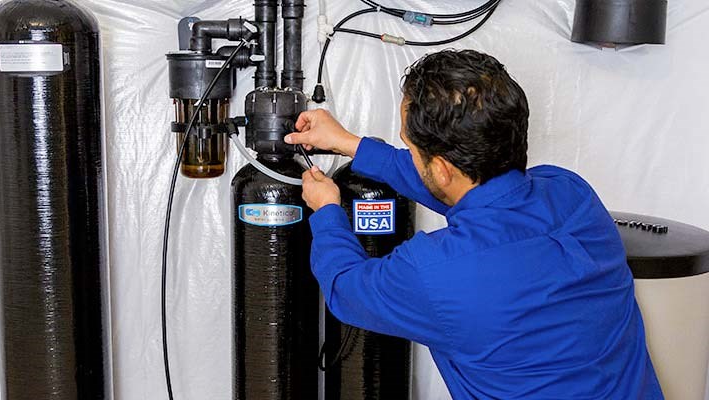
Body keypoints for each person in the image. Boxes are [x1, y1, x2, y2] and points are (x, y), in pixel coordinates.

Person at [284, 49, 663, 399]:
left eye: (411, 147)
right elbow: (476, 198)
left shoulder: (434, 273)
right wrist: (350, 143)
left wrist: (328, 210)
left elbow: (346, 288)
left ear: (443, 169)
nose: (409, 154)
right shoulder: (572, 194)